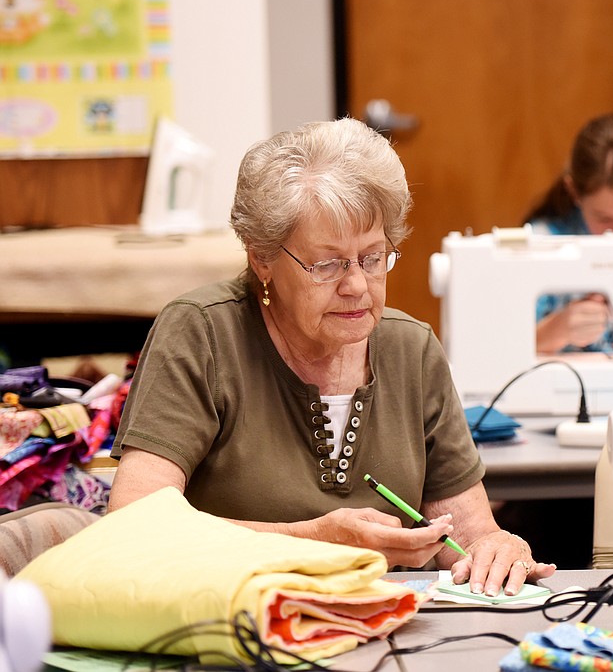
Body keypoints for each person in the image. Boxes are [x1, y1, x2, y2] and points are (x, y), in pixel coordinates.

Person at [109, 118, 554, 597]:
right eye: (327, 264)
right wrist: (314, 540)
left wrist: (494, 548)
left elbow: (463, 534)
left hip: (389, 627)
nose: (358, 285)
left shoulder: (412, 348)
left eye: (372, 256)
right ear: (262, 257)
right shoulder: (203, 333)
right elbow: (136, 526)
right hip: (234, 624)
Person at [525, 113, 613, 356]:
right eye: (605, 219)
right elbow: (501, 347)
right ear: (574, 192)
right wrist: (555, 331)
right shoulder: (542, 242)